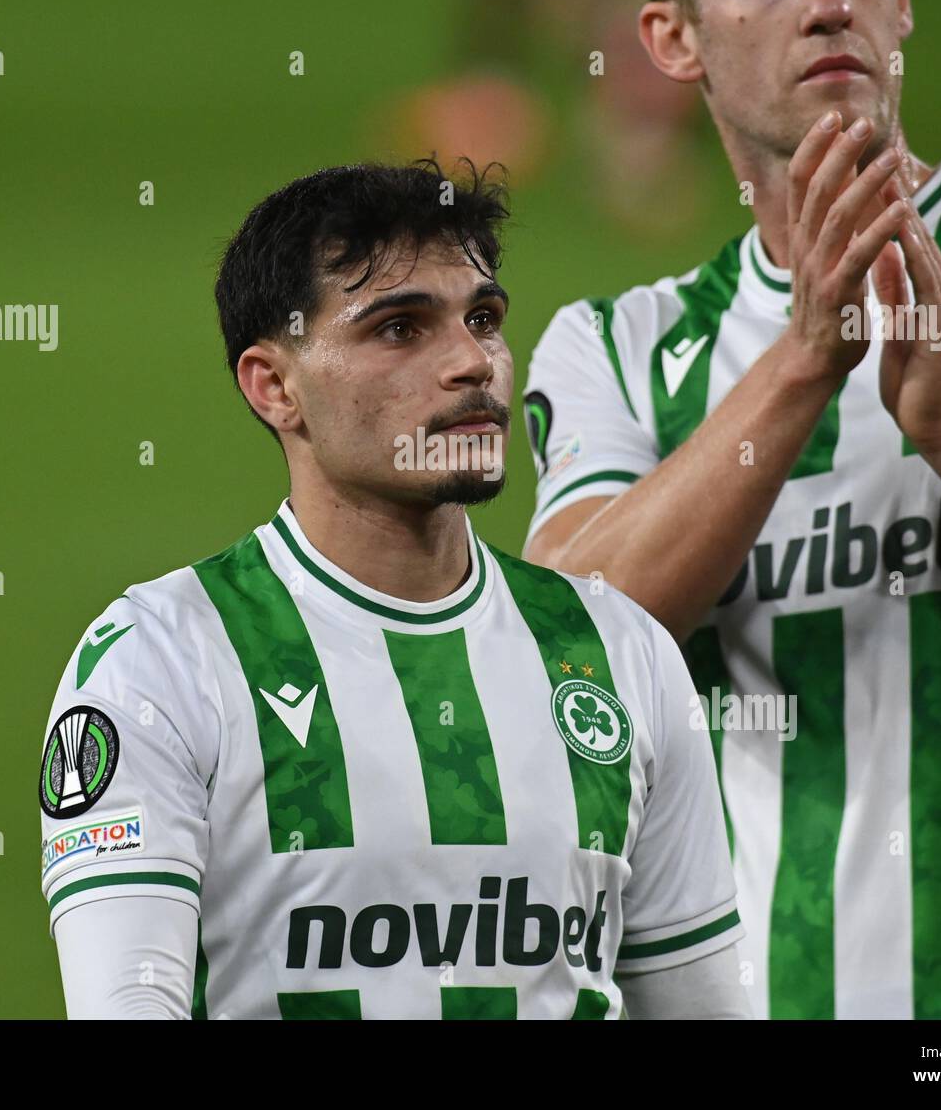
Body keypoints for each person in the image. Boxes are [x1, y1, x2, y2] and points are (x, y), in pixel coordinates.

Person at [523, 0, 941, 1019]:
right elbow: (558, 670)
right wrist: (803, 365)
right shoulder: (623, 349)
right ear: (672, 39)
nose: (830, 2)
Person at [38, 160, 750, 1019]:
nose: (471, 363)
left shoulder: (622, 652)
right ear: (275, 387)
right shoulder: (158, 663)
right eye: (400, 329)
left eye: (482, 319)